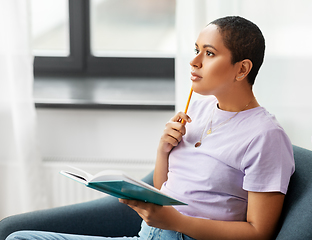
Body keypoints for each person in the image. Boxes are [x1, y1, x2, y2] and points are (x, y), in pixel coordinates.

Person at [6, 16, 295, 240]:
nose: (194, 61)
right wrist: (163, 150)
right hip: (148, 234)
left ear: (242, 69)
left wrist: (176, 222)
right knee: (20, 237)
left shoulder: (265, 136)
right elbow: (164, 189)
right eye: (196, 50)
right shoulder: (198, 108)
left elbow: (260, 233)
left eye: (208, 53)